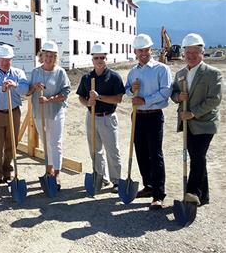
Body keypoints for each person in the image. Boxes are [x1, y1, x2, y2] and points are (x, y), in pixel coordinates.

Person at [171, 33, 222, 206]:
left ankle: (192, 192)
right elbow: (173, 93)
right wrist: (178, 96)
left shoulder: (212, 73)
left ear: (202, 52)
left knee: (198, 156)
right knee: (197, 156)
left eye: (195, 52)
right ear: (183, 53)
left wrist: (193, 113)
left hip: (205, 122)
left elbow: (214, 100)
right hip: (187, 123)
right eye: (188, 52)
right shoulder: (180, 73)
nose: (191, 56)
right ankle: (203, 195)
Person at [125, 33, 172, 209]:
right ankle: (148, 186)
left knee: (155, 154)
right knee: (141, 153)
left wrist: (145, 100)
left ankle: (158, 194)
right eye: (140, 50)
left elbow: (166, 92)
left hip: (153, 115)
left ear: (150, 50)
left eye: (146, 50)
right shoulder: (133, 72)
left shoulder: (161, 69)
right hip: (138, 116)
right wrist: (132, 90)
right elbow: (127, 90)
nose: (143, 53)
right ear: (135, 51)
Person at [76, 43, 124, 193]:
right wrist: (88, 102)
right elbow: (81, 98)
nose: (99, 60)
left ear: (106, 58)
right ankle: (100, 177)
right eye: (96, 58)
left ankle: (116, 180)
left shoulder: (114, 77)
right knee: (95, 150)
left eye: (102, 57)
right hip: (91, 117)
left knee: (112, 150)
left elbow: (118, 99)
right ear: (92, 59)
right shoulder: (86, 78)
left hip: (107, 117)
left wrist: (99, 98)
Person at [0, 44, 29, 187]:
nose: (5, 62)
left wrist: (14, 85)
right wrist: (1, 88)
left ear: (12, 59)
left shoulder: (18, 73)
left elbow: (25, 89)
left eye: (8, 59)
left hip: (13, 113)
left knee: (11, 144)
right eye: (2, 59)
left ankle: (7, 171)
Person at [28, 41, 71, 188]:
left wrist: (49, 99)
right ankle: (49, 170)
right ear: (42, 56)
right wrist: (34, 86)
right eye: (46, 55)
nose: (49, 58)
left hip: (56, 112)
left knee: (55, 143)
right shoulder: (35, 72)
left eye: (52, 56)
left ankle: (57, 173)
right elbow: (28, 91)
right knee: (46, 141)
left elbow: (66, 93)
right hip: (39, 113)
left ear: (55, 57)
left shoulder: (60, 72)